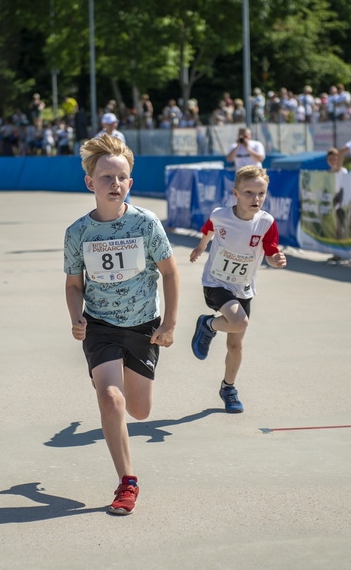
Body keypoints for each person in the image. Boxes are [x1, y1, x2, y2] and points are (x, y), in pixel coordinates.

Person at [63, 134, 179, 515]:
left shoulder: (146, 223)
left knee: (140, 411)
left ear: (131, 182)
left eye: (122, 177)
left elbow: (170, 272)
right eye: (106, 177)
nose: (115, 184)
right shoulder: (78, 232)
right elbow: (74, 284)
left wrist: (171, 322)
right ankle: (127, 482)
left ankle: (116, 375)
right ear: (89, 183)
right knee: (111, 398)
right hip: (100, 326)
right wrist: (76, 316)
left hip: (144, 325)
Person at [189, 165, 287, 413]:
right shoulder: (220, 215)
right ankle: (208, 324)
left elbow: (271, 249)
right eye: (248, 193)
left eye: (261, 193)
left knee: (236, 346)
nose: (255, 199)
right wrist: (201, 247)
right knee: (240, 322)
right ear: (235, 193)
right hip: (215, 282)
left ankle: (228, 388)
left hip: (243, 287)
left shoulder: (266, 222)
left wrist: (275, 260)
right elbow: (208, 230)